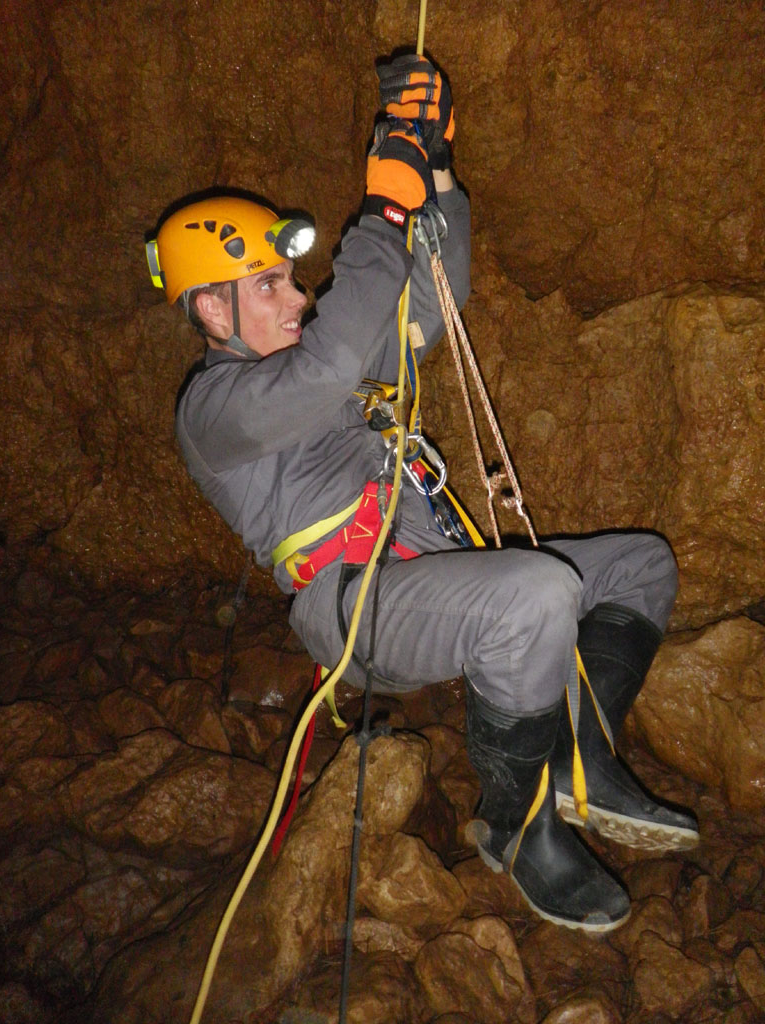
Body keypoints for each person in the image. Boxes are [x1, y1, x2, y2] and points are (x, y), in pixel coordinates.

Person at [146, 55, 698, 933]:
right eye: (269, 285)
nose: (296, 297)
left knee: (641, 566)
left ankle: (579, 759)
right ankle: (516, 825)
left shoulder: (320, 364)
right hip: (355, 609)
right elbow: (332, 362)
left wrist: (432, 167)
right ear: (212, 312)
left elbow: (434, 297)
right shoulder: (213, 411)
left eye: (290, 279)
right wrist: (384, 209)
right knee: (537, 595)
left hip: (429, 569)